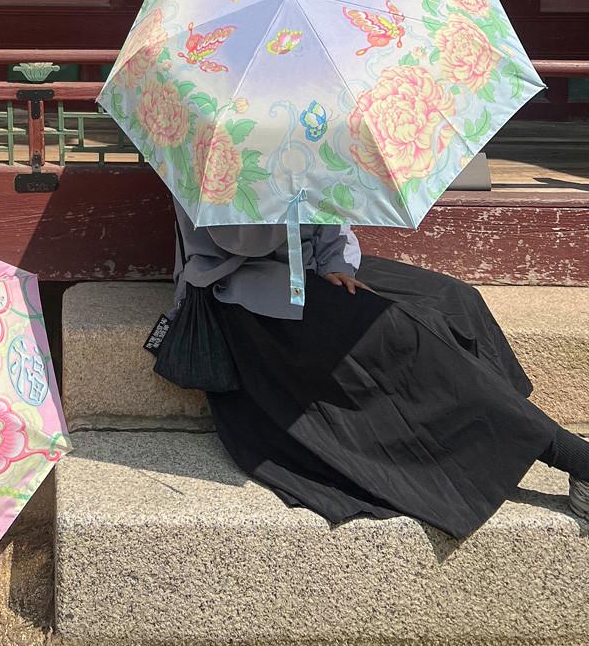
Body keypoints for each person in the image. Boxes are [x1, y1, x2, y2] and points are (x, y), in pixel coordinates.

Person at [160, 201, 589, 538]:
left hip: (310, 267)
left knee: (457, 300)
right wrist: (288, 185)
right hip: (243, 287)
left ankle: (503, 437)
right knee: (397, 331)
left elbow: (330, 221)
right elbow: (243, 241)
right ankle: (567, 453)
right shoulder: (211, 145)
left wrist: (335, 263)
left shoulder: (297, 130)